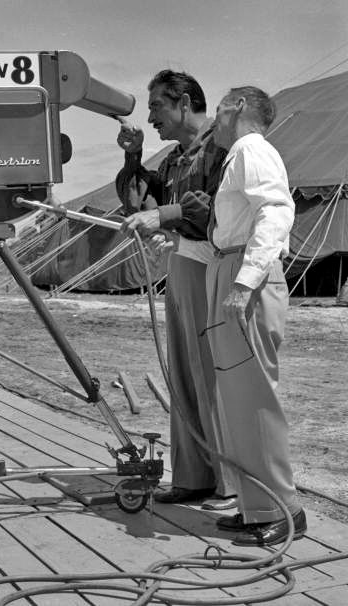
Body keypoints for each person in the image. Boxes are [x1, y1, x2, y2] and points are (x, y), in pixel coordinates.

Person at [117, 70, 236, 510]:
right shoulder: (174, 158)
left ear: (184, 103)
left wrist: (163, 215)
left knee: (214, 376)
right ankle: (193, 476)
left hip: (214, 270)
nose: (150, 118)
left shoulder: (221, 149)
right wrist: (134, 158)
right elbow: (139, 202)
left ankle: (232, 483)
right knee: (184, 374)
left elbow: (214, 211)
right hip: (183, 269)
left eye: (156, 107)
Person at [206, 86, 306, 545]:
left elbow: (276, 211)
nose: (215, 117)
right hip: (228, 262)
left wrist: (244, 282)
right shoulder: (238, 155)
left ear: (240, 106)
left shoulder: (253, 150)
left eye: (222, 105)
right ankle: (256, 505)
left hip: (247, 271)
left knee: (255, 398)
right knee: (237, 399)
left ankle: (284, 509)